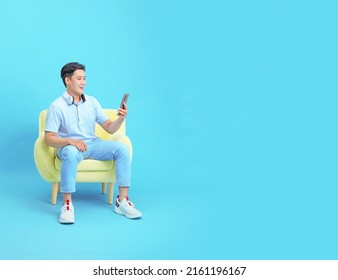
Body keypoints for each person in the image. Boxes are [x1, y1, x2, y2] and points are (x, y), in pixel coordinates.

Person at [44, 62, 142, 224]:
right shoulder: (56, 106)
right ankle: (67, 204)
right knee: (69, 152)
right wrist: (69, 141)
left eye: (85, 78)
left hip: (93, 144)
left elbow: (110, 128)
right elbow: (49, 139)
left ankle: (122, 201)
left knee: (122, 149)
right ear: (68, 80)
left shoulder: (92, 102)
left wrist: (121, 118)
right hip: (69, 147)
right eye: (79, 78)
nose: (84, 82)